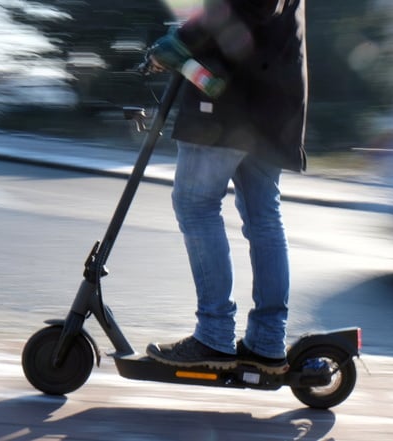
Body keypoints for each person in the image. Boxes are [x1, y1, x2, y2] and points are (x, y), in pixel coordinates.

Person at [144, 0, 308, 375]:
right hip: (274, 109)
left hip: (227, 107)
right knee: (264, 219)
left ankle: (215, 334)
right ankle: (267, 341)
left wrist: (177, 42)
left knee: (195, 205)